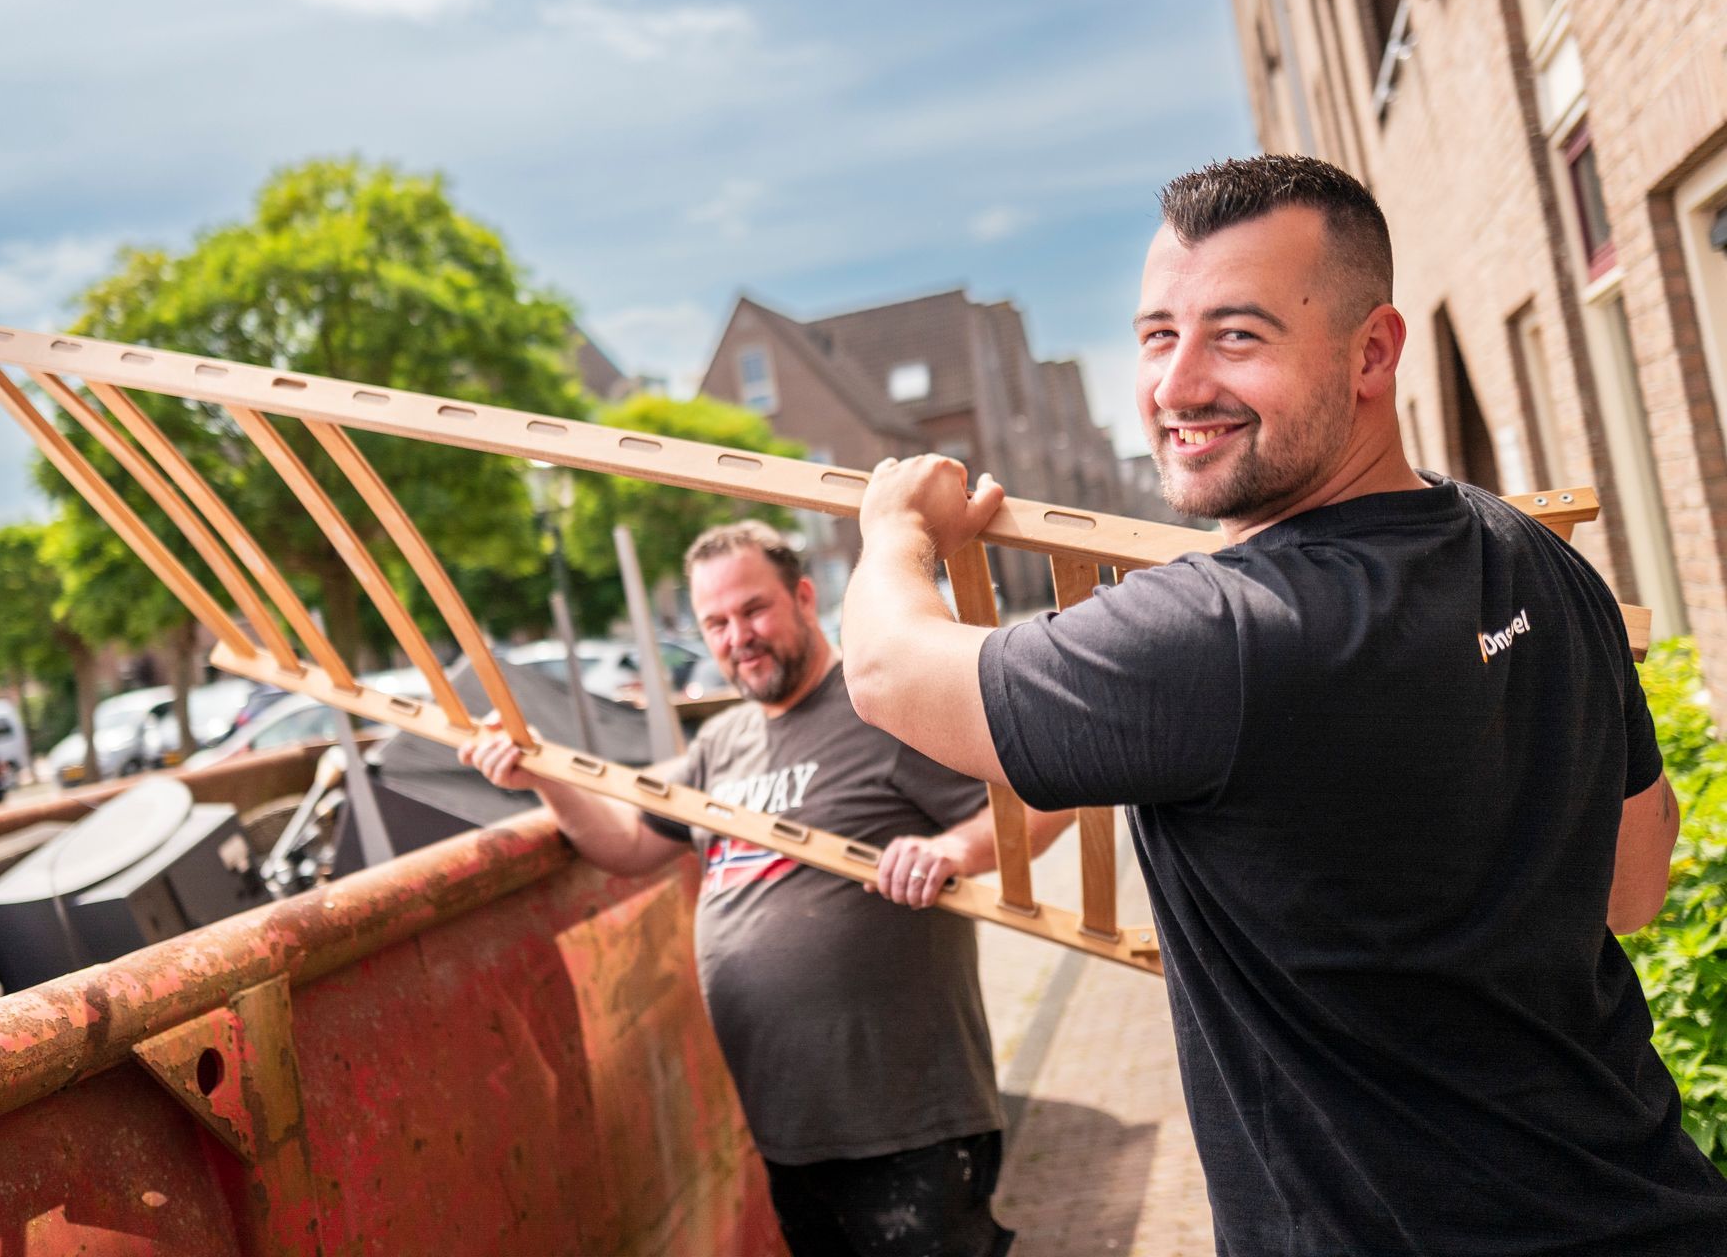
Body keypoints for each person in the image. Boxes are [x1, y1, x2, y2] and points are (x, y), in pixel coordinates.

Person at [839, 154, 1727, 1255]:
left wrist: (895, 529)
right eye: (1159, 333)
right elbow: (1635, 887)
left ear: (1373, 352)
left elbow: (886, 670)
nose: (1176, 383)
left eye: (1239, 334)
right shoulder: (1541, 562)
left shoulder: (1221, 635)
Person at [461, 520, 1071, 1257]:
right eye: (715, 622)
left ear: (805, 597)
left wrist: (954, 848)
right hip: (791, 1131)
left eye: (753, 610)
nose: (736, 637)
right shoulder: (720, 745)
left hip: (909, 1121)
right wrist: (538, 778)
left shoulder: (881, 706)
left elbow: (1050, 794)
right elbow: (624, 847)